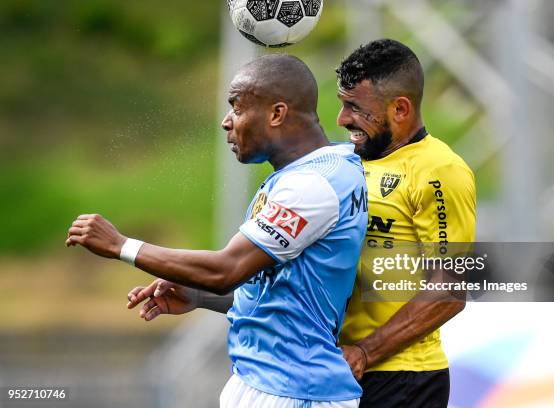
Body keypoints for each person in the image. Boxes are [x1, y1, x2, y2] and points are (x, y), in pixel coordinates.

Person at [66, 54, 368, 408]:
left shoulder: (314, 185)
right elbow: (280, 290)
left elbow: (225, 270)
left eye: (237, 107)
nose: (227, 122)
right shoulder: (316, 171)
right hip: (266, 380)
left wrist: (121, 245)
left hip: (293, 391)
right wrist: (199, 297)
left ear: (276, 113)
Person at [335, 39, 476, 407]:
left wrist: (365, 352)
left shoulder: (438, 169)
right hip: (340, 369)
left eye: (354, 107)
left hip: (402, 377)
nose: (342, 119)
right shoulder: (346, 163)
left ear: (400, 109)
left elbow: (449, 288)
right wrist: (202, 294)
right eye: (342, 104)